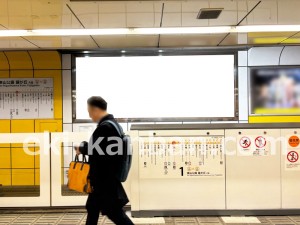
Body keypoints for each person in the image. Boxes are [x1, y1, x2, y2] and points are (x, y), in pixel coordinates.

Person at [75, 96, 134, 225]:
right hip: (104, 179)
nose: (90, 116)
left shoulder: (106, 127)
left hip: (104, 180)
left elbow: (101, 152)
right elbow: (102, 148)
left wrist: (83, 149)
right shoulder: (113, 125)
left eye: (90, 112)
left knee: (114, 212)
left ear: (95, 110)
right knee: (92, 208)